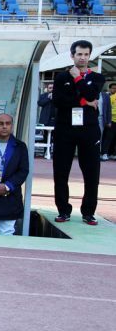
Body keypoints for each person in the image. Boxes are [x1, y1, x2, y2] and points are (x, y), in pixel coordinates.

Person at [51, 40, 103, 225]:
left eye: (86, 54)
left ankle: (88, 212)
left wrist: (78, 79)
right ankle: (63, 210)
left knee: (91, 173)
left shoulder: (97, 78)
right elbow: (58, 101)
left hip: (89, 130)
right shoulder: (61, 77)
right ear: (72, 56)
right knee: (61, 172)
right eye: (79, 54)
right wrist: (84, 102)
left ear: (90, 56)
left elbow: (91, 94)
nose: (82, 58)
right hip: (65, 129)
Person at [97, 86, 113, 161]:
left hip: (101, 119)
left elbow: (109, 109)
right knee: (91, 137)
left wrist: (109, 121)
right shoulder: (89, 94)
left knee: (100, 136)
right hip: (90, 119)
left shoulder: (105, 96)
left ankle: (98, 154)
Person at [103, 83, 116, 160]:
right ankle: (104, 153)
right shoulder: (108, 97)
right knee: (108, 138)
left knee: (114, 139)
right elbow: (107, 109)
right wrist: (108, 121)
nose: (114, 89)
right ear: (109, 88)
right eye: (113, 88)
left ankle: (112, 153)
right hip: (111, 120)